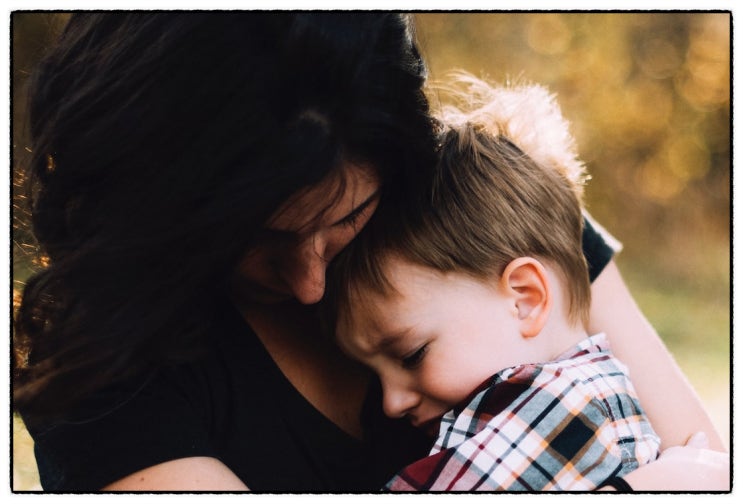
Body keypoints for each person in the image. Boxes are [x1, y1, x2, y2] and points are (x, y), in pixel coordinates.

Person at [12, 13, 727, 492]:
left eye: (347, 218)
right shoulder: (109, 373)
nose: (310, 285)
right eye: (253, 239)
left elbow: (703, 465)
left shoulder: (484, 217)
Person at [326, 81, 661, 491]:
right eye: (374, 375)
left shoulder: (559, 410)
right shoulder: (590, 393)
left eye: (412, 355)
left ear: (525, 298)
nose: (391, 403)